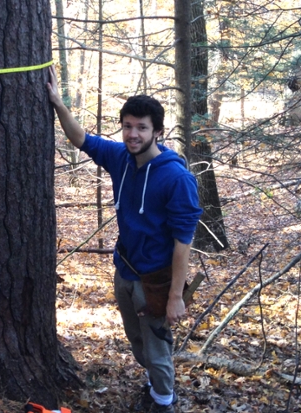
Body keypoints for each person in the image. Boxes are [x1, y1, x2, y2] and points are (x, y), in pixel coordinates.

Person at [46, 66, 202, 413]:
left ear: (157, 132)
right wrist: (57, 103)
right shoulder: (120, 158)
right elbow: (81, 139)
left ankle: (163, 402)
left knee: (157, 346)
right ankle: (153, 385)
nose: (132, 134)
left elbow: (183, 241)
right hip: (125, 270)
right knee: (137, 343)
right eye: (128, 126)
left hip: (156, 279)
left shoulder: (176, 178)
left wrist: (176, 296)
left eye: (141, 128)